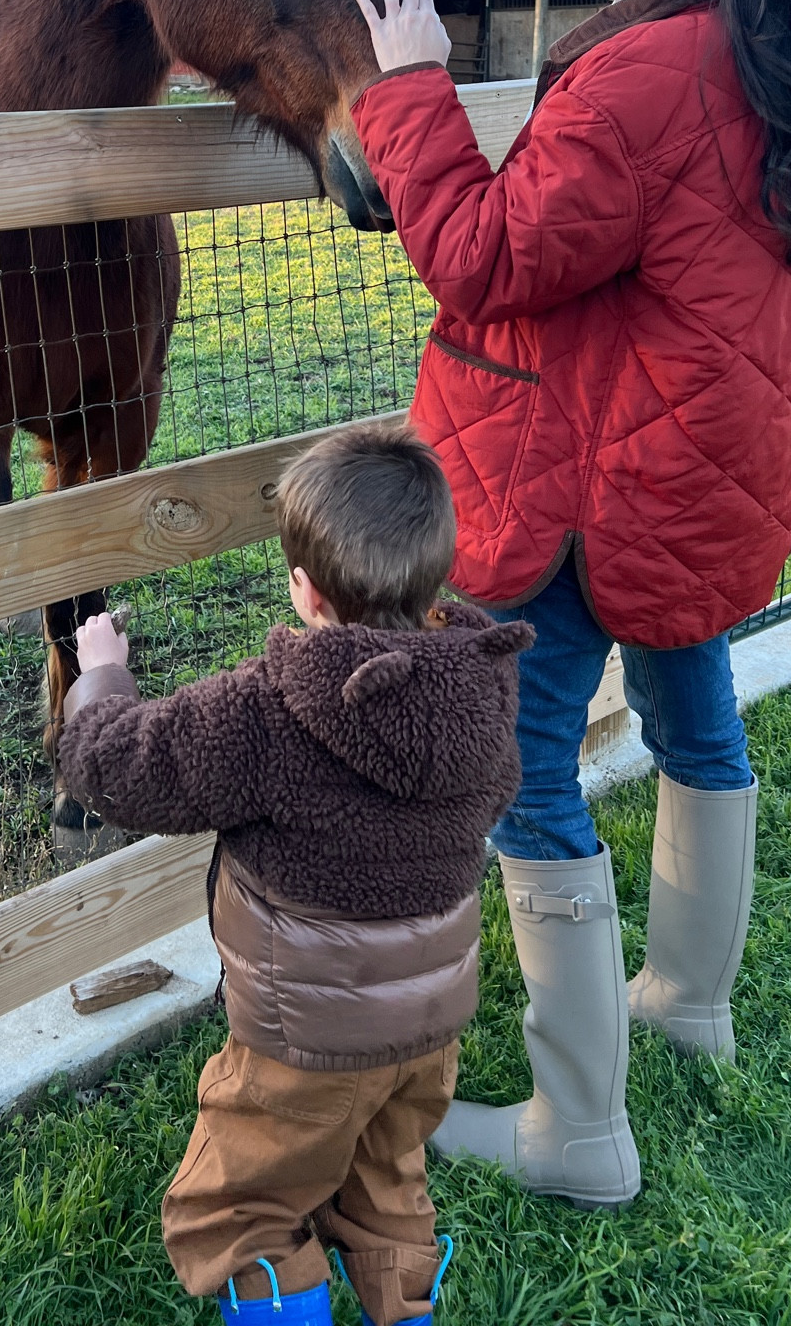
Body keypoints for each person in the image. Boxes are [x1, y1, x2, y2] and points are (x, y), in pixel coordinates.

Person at [346, 0, 791, 1209]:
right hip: (710, 465)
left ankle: (578, 1132)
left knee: (523, 767)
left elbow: (486, 258)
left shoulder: (648, 70)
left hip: (594, 482)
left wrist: (409, 92)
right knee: (693, 705)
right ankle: (687, 1001)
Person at [58, 421, 531, 1326]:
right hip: (428, 1030)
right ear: (437, 578)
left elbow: (119, 768)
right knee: (388, 1186)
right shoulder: (485, 685)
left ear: (304, 591)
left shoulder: (269, 710)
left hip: (304, 1036)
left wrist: (103, 677)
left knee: (238, 1210)